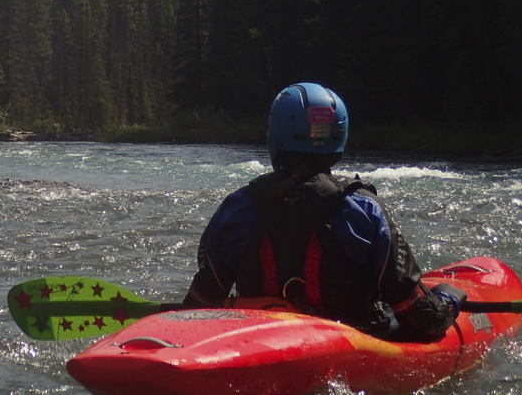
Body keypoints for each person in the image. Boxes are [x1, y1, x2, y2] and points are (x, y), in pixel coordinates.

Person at [183, 82, 463, 340]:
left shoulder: (237, 208)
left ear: (275, 136)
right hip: (347, 346)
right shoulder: (365, 210)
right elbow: (423, 319)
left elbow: (200, 304)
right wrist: (448, 299)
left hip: (257, 342)